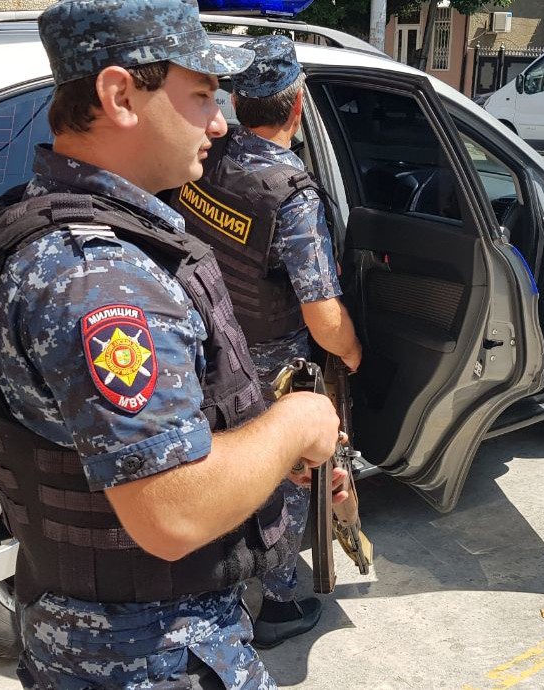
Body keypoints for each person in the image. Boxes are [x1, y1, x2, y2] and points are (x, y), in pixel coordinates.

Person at [0, 1, 346, 687]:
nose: (219, 123)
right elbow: (172, 511)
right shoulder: (100, 277)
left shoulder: (66, 229)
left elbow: (148, 446)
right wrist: (296, 423)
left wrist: (267, 458)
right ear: (120, 96)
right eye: (201, 96)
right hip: (151, 655)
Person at [169, 36, 363, 648]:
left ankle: (219, 586)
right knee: (285, 476)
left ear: (235, 102)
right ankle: (279, 602)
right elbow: (322, 314)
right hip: (274, 367)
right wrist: (354, 354)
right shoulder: (291, 193)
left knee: (218, 466)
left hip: (206, 344)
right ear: (298, 105)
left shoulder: (209, 154)